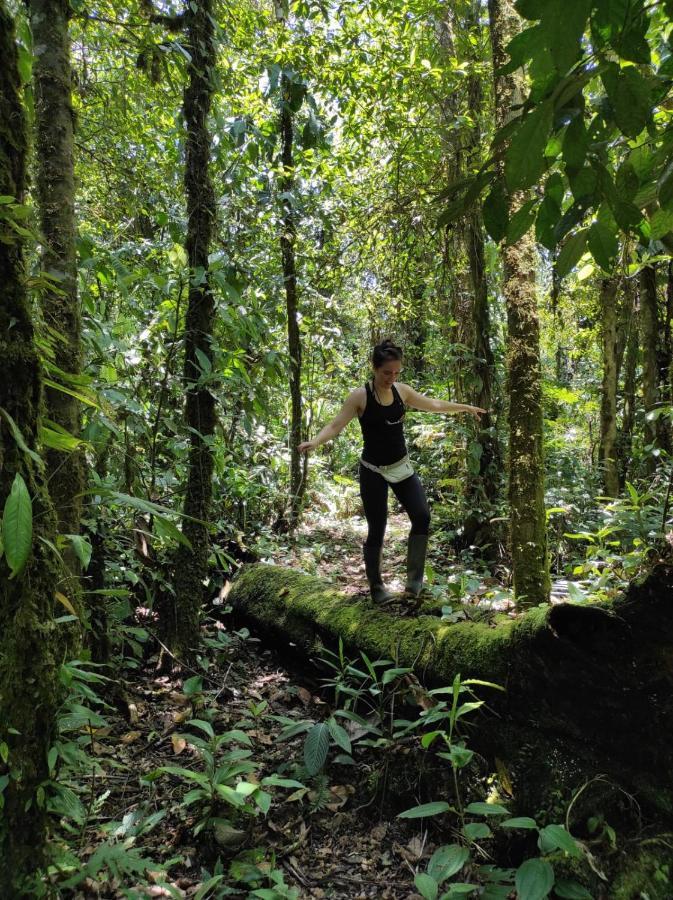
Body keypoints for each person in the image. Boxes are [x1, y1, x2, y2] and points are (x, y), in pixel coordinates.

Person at [298, 339, 486, 603]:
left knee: (421, 516)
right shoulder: (360, 396)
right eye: (387, 372)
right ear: (374, 368)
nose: (392, 377)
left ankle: (413, 586)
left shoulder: (402, 391)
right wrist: (315, 441)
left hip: (402, 467)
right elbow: (335, 426)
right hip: (372, 470)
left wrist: (464, 407)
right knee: (378, 527)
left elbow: (432, 404)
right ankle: (377, 589)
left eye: (396, 372)